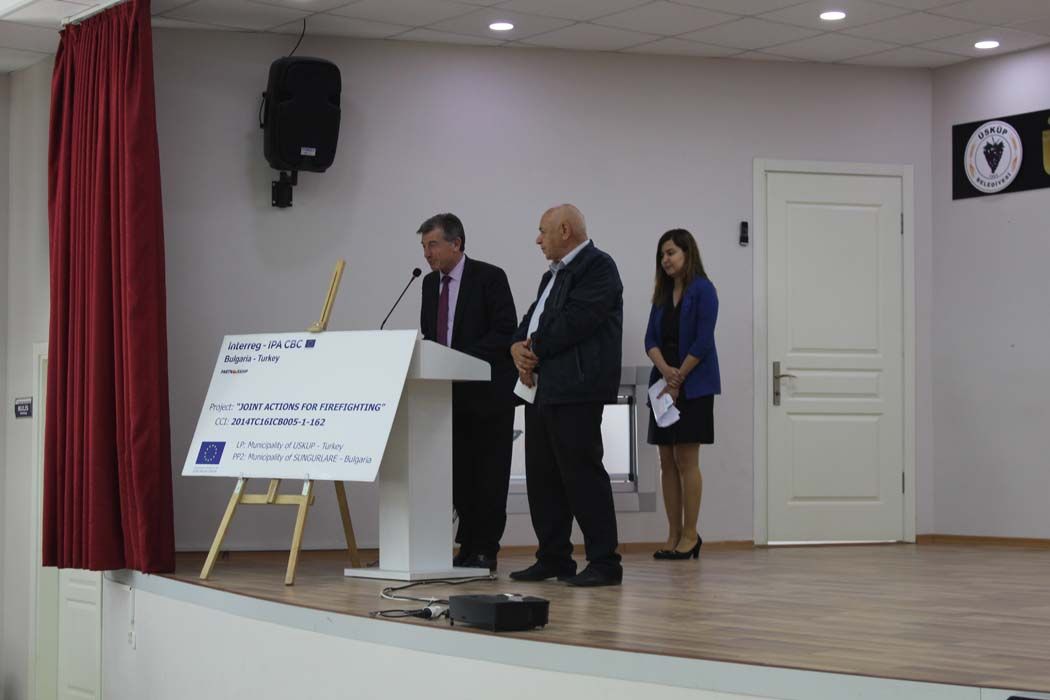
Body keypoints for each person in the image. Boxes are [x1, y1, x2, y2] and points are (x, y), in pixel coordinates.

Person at [508, 204, 624, 587]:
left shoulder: (599, 267)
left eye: (542, 231)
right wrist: (516, 346)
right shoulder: (552, 275)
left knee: (582, 475)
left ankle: (605, 562)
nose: (537, 239)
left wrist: (532, 349)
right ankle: (554, 557)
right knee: (543, 478)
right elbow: (531, 319)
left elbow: (576, 321)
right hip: (544, 389)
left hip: (577, 388)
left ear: (564, 230)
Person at [418, 213, 517, 572]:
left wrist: (457, 358)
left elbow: (504, 331)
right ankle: (467, 546)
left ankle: (486, 549)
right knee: (459, 475)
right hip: (450, 396)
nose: (427, 253)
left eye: (433, 244)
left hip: (488, 395)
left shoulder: (490, 277)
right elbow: (430, 335)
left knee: (488, 476)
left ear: (456, 243)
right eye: (424, 246)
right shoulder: (429, 284)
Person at [644, 228, 720, 561]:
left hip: (694, 385)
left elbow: (703, 341)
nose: (665, 259)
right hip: (663, 385)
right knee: (666, 460)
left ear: (688, 254)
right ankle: (673, 533)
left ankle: (691, 534)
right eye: (662, 255)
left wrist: (678, 379)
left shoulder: (703, 290)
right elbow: (650, 340)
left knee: (686, 459)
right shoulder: (662, 294)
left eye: (671, 252)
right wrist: (665, 372)